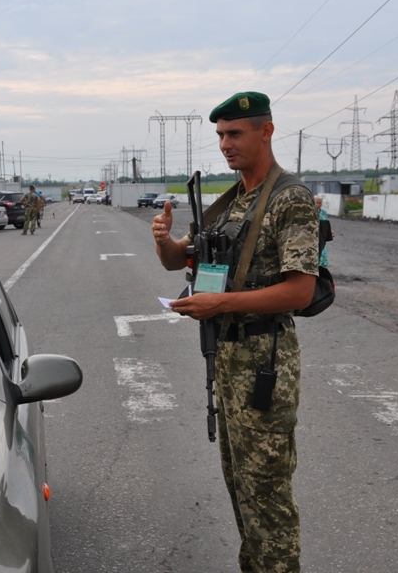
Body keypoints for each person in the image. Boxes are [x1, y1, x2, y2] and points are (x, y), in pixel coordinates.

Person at [152, 91, 318, 573]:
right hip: (228, 364)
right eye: (221, 135)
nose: (225, 144)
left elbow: (300, 291)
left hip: (265, 363)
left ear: (266, 131)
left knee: (267, 497)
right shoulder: (231, 201)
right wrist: (163, 241)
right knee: (241, 489)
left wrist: (219, 303)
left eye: (235, 133)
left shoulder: (291, 199)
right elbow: (179, 260)